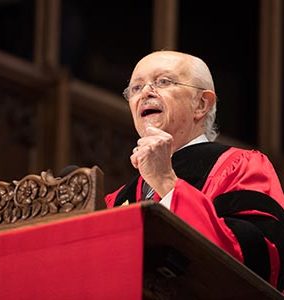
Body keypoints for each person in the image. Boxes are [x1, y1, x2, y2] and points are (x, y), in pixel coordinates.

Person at [104, 50, 284, 291]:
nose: (145, 93)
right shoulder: (115, 200)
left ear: (201, 104)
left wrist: (167, 183)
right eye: (136, 88)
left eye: (163, 82)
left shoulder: (241, 167)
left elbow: (258, 263)